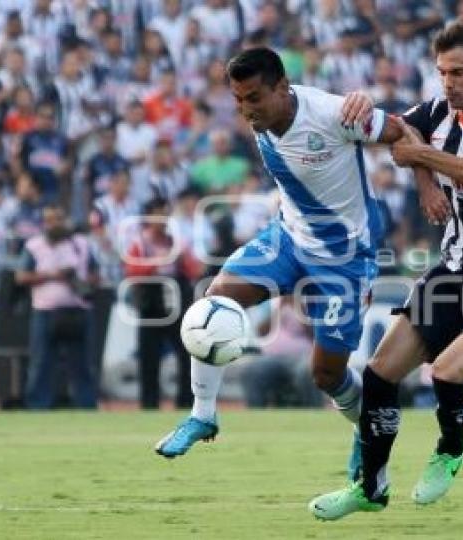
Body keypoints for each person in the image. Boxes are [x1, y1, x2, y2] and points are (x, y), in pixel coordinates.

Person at [309, 20, 463, 520]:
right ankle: (369, 488)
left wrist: (422, 157)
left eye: (459, 72)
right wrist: (423, 179)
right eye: (442, 72)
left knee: (446, 373)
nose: (448, 83)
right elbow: (400, 128)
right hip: (456, 268)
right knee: (379, 375)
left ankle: (450, 449)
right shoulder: (439, 111)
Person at [153, 47, 409, 478]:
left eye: (253, 98)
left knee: (326, 374)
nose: (245, 110)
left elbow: (401, 132)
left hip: (344, 256)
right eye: (237, 100)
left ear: (282, 88)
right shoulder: (262, 118)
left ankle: (367, 432)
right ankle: (203, 414)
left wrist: (429, 184)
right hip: (289, 236)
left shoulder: (333, 114)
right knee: (214, 300)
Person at [15, 204, 99, 410]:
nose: (53, 224)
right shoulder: (34, 245)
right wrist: (54, 275)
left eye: (57, 219)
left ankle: (86, 406)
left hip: (77, 309)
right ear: (44, 223)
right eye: (49, 220)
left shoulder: (80, 243)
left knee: (82, 363)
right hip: (45, 310)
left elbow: (95, 274)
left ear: (65, 220)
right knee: (41, 362)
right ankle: (38, 406)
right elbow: (21, 277)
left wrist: (81, 282)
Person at [124, 198, 204, 410]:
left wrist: (180, 258)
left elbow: (195, 270)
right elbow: (132, 271)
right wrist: (158, 264)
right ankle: (149, 403)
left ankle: (186, 401)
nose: (163, 220)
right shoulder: (140, 243)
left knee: (186, 352)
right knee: (149, 356)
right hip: (152, 299)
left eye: (165, 214)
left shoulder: (176, 242)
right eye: (157, 214)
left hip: (177, 298)